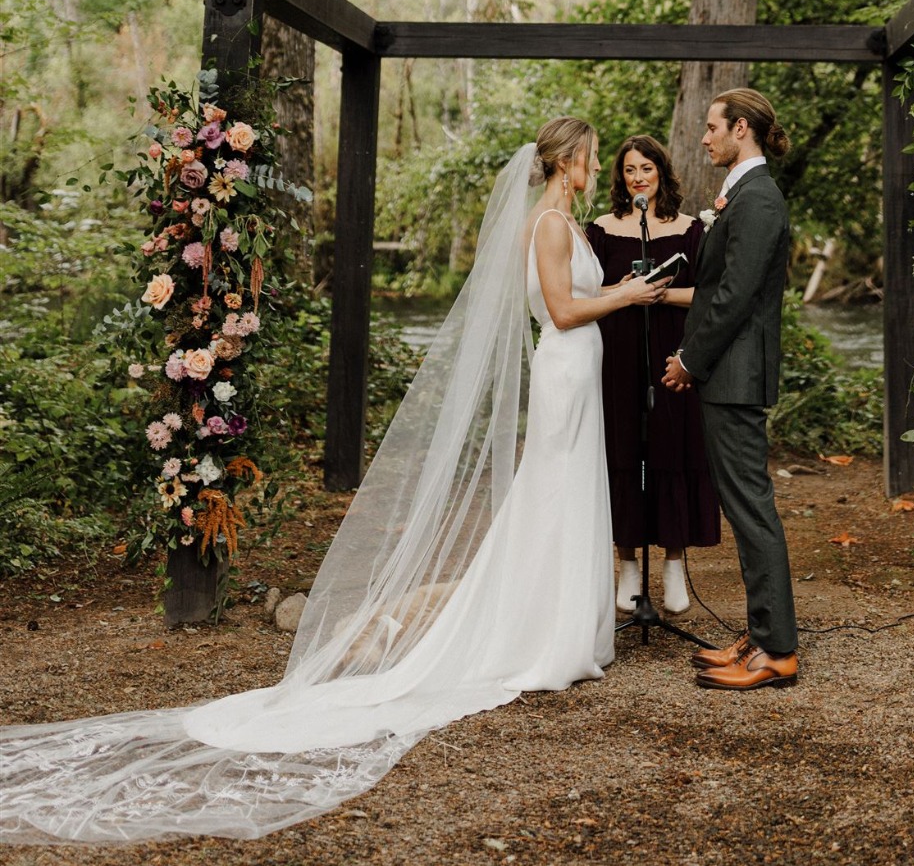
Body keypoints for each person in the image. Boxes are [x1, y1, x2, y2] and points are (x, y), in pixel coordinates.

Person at [0, 118, 665, 844]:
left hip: (580, 368)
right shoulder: (547, 225)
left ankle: (565, 628)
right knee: (550, 498)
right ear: (570, 160)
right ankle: (544, 637)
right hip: (566, 367)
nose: (599, 164)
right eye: (594, 154)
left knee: (565, 498)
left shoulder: (566, 219)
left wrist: (625, 290)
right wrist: (628, 296)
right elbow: (564, 311)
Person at [663, 88, 799, 691]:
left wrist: (691, 359)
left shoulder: (759, 199)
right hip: (729, 374)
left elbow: (734, 296)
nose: (704, 137)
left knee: (751, 508)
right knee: (745, 508)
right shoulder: (743, 194)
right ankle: (760, 633)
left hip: (734, 376)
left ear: (740, 128)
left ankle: (776, 652)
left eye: (712, 127)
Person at [586, 135, 720, 616]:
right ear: (621, 179)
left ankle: (673, 564)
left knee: (673, 447)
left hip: (673, 354)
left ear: (662, 171)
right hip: (617, 354)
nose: (638, 177)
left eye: (646, 168)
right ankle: (626, 565)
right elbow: (583, 293)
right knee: (623, 450)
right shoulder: (599, 229)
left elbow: (709, 293)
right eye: (629, 170)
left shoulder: (691, 229)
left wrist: (659, 294)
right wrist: (623, 291)